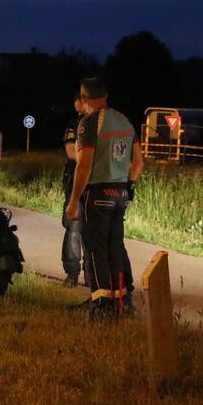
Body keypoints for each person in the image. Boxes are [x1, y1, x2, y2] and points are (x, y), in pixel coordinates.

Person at [65, 76, 144, 319]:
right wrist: (127, 184)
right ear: (106, 95)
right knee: (115, 249)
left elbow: (84, 165)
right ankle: (122, 302)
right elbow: (138, 164)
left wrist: (73, 201)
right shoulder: (125, 121)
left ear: (85, 98)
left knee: (95, 251)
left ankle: (101, 307)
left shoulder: (88, 123)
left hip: (97, 194)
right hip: (120, 193)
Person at [61, 92, 87, 287]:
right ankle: (72, 274)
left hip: (97, 183)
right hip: (77, 181)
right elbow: (71, 152)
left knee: (93, 230)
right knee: (74, 228)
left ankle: (92, 274)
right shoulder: (73, 125)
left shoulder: (102, 124)